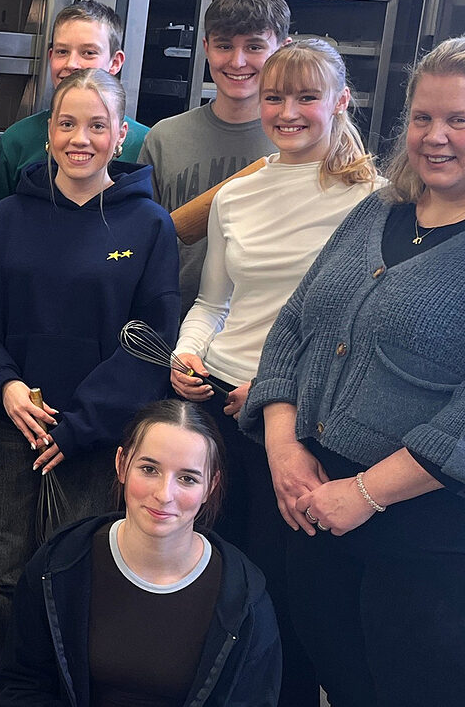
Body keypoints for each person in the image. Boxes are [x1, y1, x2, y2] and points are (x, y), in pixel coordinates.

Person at [0, 68, 179, 706]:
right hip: (15, 425)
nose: (81, 138)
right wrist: (6, 384)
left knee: (84, 577)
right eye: (67, 124)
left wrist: (81, 426)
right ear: (48, 132)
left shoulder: (149, 227)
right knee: (9, 579)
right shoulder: (7, 219)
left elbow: (150, 342)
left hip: (100, 439)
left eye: (97, 125)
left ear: (120, 134)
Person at [242, 36, 465, 706]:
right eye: (423, 117)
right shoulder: (379, 209)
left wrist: (365, 492)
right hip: (314, 506)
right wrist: (284, 448)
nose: (436, 136)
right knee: (322, 671)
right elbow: (293, 326)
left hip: (422, 535)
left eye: (459, 120)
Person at [170, 38, 378, 706]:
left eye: (306, 97)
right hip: (220, 412)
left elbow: (358, 331)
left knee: (289, 606)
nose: (288, 112)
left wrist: (273, 392)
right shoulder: (237, 196)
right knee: (215, 585)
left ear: (341, 100)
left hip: (306, 425)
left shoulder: (375, 202)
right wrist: (186, 353)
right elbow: (212, 303)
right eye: (275, 97)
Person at [0, 401, 281, 706]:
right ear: (121, 465)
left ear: (211, 487)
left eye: (187, 478)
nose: (164, 494)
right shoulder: (58, 565)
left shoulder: (246, 601)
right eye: (149, 469)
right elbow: (22, 685)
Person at [140, 0, 290, 317]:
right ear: (206, 47)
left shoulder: (298, 147)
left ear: (283, 48)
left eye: (254, 47)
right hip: (170, 326)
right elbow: (141, 244)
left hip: (260, 334)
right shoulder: (164, 138)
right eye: (224, 46)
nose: (238, 62)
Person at [0, 0, 150, 202]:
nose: (72, 64)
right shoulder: (16, 140)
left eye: (88, 53)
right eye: (62, 52)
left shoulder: (147, 144)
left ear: (115, 62)